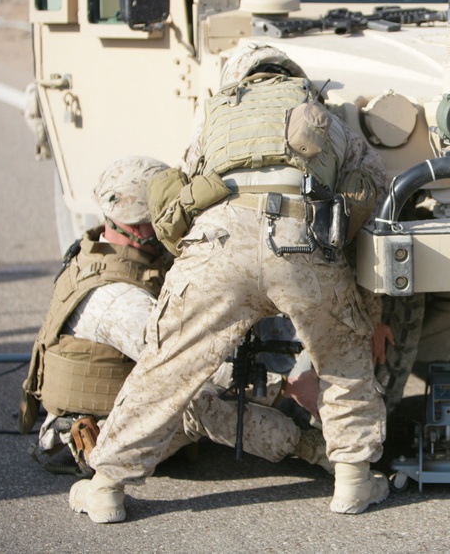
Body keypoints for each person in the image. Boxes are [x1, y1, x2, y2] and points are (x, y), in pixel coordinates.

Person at [69, 47, 391, 523]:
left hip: (219, 244)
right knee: (343, 357)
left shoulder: (217, 116)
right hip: (301, 242)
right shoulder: (325, 116)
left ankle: (106, 487)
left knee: (167, 367)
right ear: (292, 78)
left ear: (237, 79)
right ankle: (353, 482)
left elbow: (188, 190)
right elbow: (373, 183)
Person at [19, 156, 330, 479]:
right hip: (93, 433)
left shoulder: (123, 254)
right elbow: (185, 365)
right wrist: (286, 388)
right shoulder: (115, 299)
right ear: (141, 224)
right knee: (200, 401)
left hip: (126, 403)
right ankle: (316, 450)